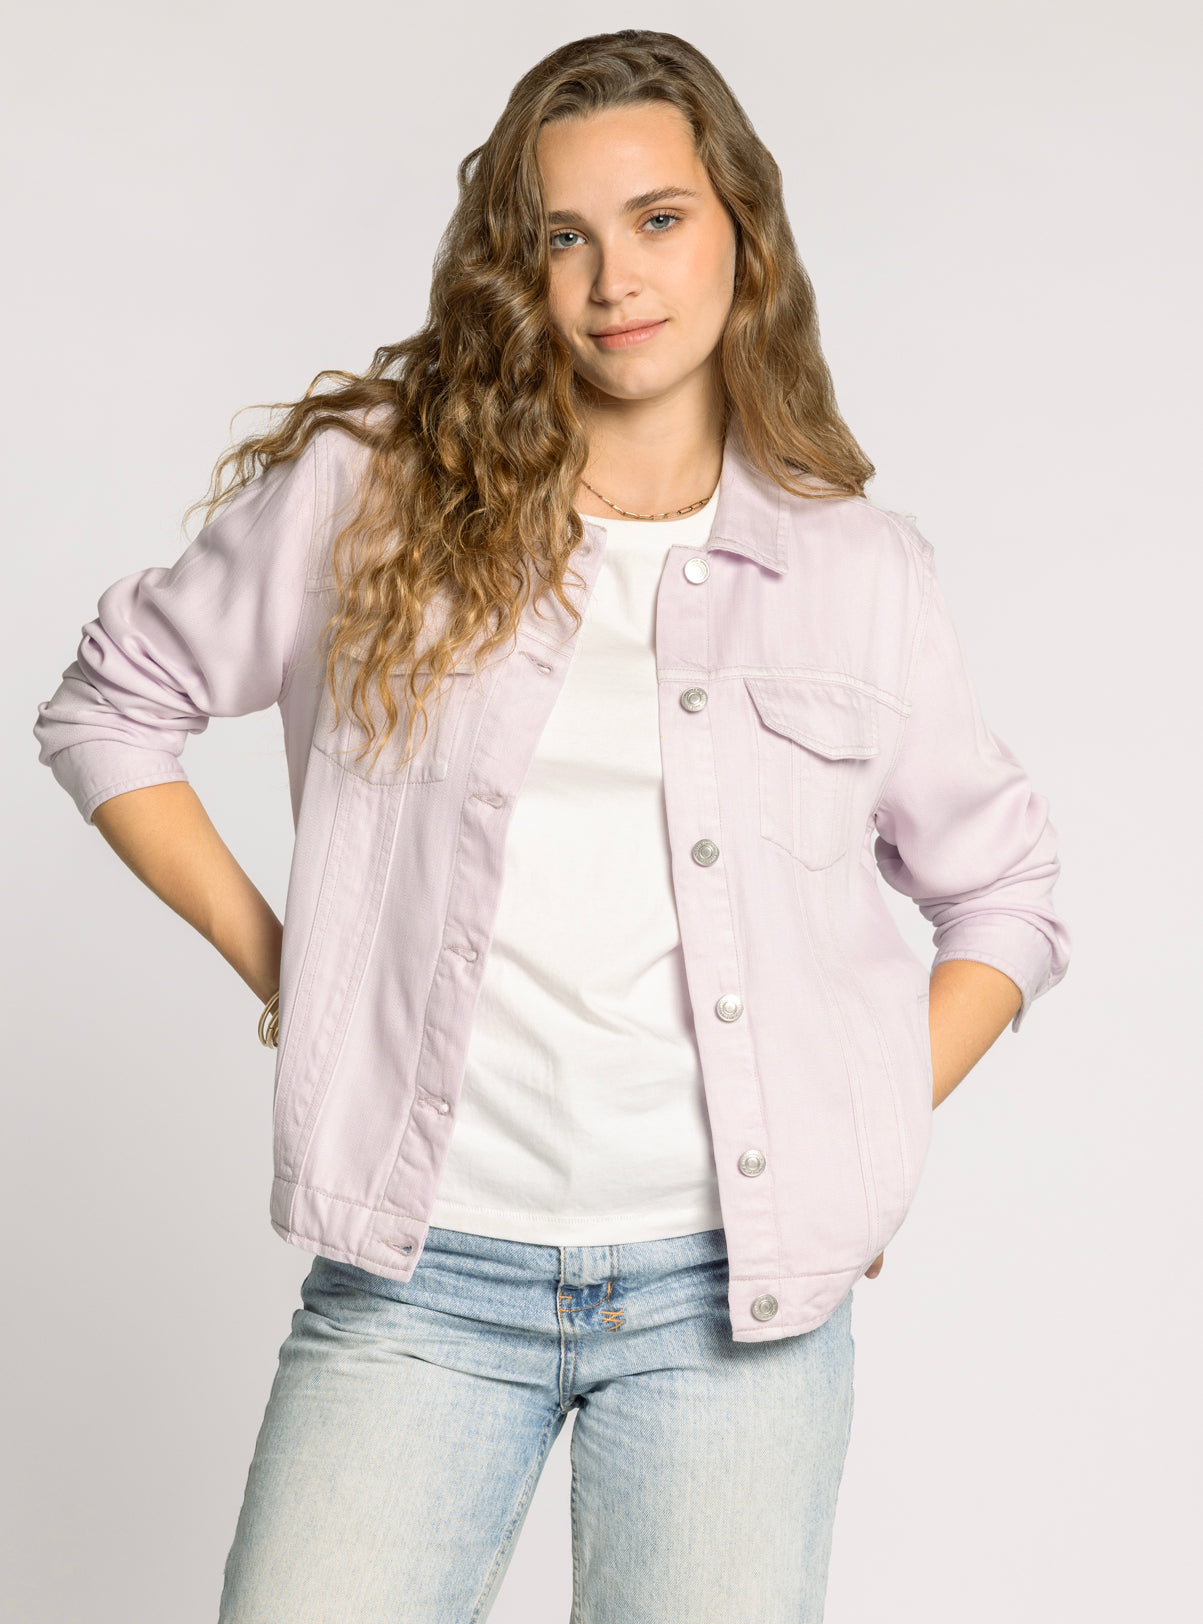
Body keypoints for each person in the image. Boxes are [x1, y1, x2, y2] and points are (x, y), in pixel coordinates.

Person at [32, 27, 1071, 1624]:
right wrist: (288, 965)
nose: (613, 280)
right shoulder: (372, 494)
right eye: (562, 236)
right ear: (513, 268)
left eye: (658, 219)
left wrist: (862, 1132)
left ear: (742, 231)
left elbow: (1007, 889)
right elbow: (112, 705)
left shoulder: (860, 571)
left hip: (734, 1305)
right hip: (420, 1276)